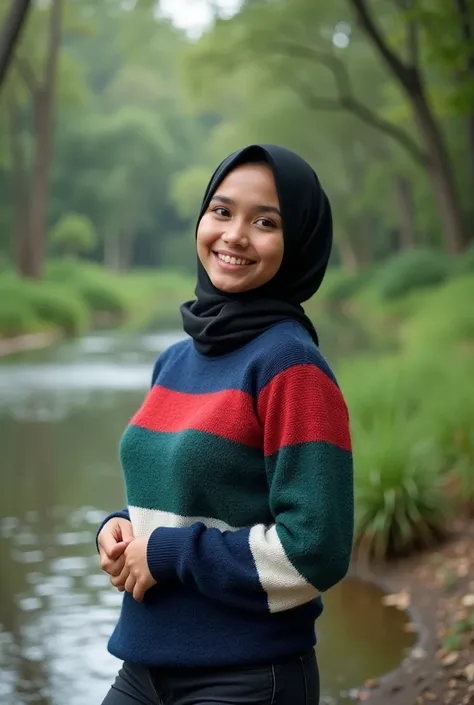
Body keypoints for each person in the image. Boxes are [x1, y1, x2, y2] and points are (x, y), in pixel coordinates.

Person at [96, 144, 354, 705]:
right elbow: (182, 497)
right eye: (222, 211)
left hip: (246, 676)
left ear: (298, 243)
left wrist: (166, 554)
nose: (235, 235)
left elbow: (317, 549)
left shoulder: (291, 366)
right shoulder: (176, 359)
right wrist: (119, 528)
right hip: (142, 666)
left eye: (265, 222)